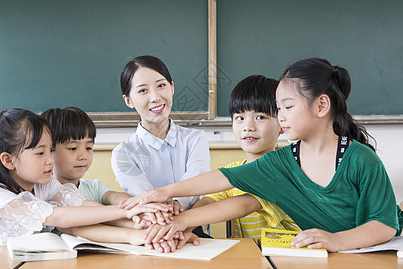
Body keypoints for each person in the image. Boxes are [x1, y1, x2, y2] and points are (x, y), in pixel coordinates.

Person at [121, 58, 403, 252]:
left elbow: (384, 225)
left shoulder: (360, 159)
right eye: (277, 108)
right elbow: (223, 179)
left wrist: (336, 240)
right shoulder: (281, 162)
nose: (281, 116)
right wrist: (164, 194)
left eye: (287, 107)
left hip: (369, 251)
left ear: (321, 106)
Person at [0, 108, 167, 246]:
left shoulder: (44, 186)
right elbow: (59, 217)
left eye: (52, 150)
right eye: (40, 152)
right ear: (9, 160)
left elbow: (85, 206)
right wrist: (131, 211)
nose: (49, 160)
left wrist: (140, 222)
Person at [143, 75, 299, 244]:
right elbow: (208, 201)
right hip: (251, 257)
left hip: (290, 260)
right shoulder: (234, 170)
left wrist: (182, 221)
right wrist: (182, 231)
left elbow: (244, 204)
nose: (248, 127)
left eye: (260, 117)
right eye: (239, 118)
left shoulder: (287, 170)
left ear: (282, 124)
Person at [111, 55, 211, 213]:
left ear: (172, 88)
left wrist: (178, 203)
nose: (155, 97)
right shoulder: (123, 154)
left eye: (161, 85)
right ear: (128, 100)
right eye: (143, 90)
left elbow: (197, 182)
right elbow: (145, 197)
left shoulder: (195, 139)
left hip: (193, 225)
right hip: (150, 227)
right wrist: (166, 208)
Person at [41, 106, 170, 227]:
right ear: (50, 150)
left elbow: (116, 197)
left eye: (88, 148)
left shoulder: (95, 187)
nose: (83, 156)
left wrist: (142, 206)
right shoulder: (42, 192)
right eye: (73, 148)